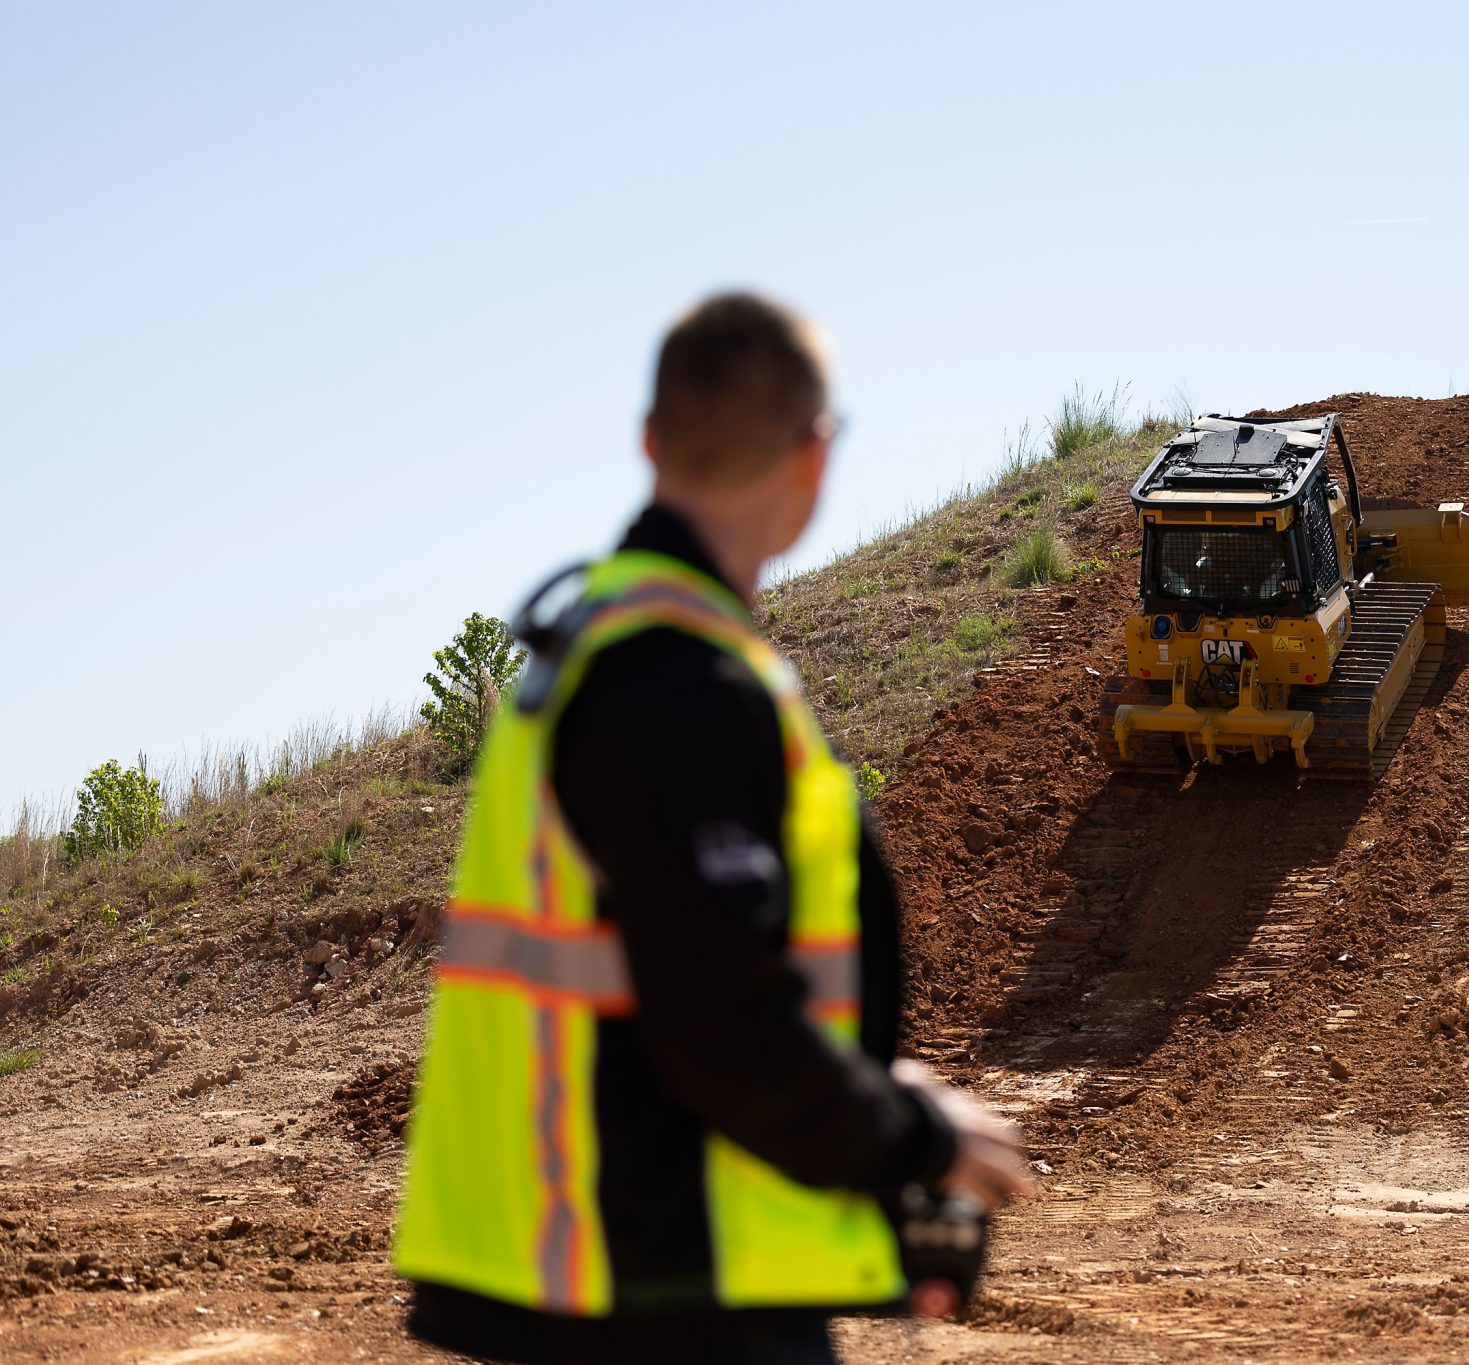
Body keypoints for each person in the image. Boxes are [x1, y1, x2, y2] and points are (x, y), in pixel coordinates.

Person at [393, 292, 1032, 1363]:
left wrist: (873, 1090)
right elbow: (717, 1016)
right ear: (814, 455)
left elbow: (667, 978)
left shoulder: (602, 648)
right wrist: (915, 1137)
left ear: (649, 441)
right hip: (669, 1285)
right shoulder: (681, 680)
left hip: (616, 1269)